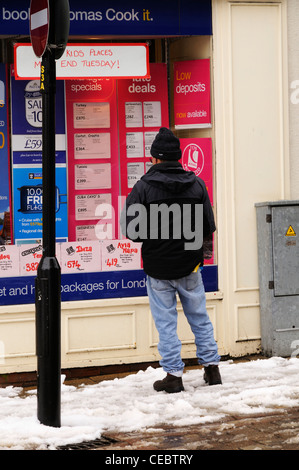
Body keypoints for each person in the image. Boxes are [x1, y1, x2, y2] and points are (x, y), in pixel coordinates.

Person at [120, 127, 221, 393]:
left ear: (155, 158)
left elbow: (131, 231)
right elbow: (208, 226)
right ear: (177, 157)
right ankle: (212, 369)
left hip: (158, 268)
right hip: (190, 266)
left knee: (166, 322)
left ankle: (174, 375)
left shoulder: (142, 187)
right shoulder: (197, 183)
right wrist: (201, 258)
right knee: (199, 316)